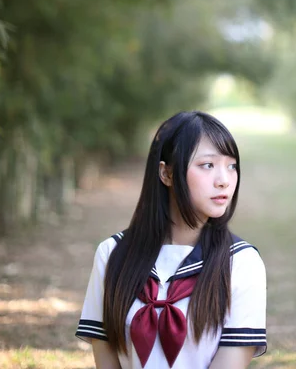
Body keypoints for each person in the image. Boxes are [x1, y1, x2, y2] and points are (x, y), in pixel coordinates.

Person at [76, 111, 267, 369]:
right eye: (208, 165)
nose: (224, 181)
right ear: (166, 174)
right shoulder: (112, 254)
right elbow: (106, 358)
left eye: (231, 166)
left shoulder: (241, 263)